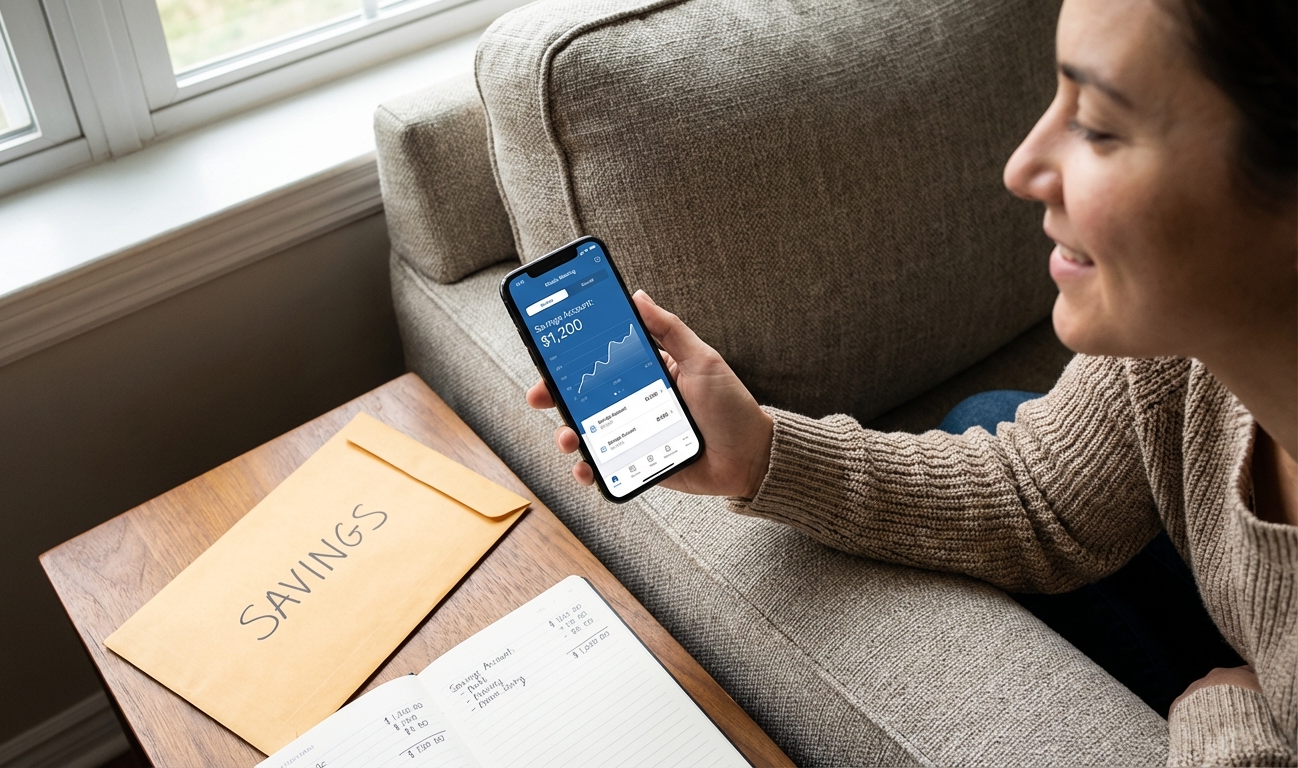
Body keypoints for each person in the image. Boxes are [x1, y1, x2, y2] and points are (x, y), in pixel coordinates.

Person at [524, 0, 1296, 763]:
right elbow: (1037, 496)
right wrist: (760, 452)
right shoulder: (1169, 354)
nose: (1021, 168)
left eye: (1096, 123)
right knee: (986, 417)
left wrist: (1227, 721)